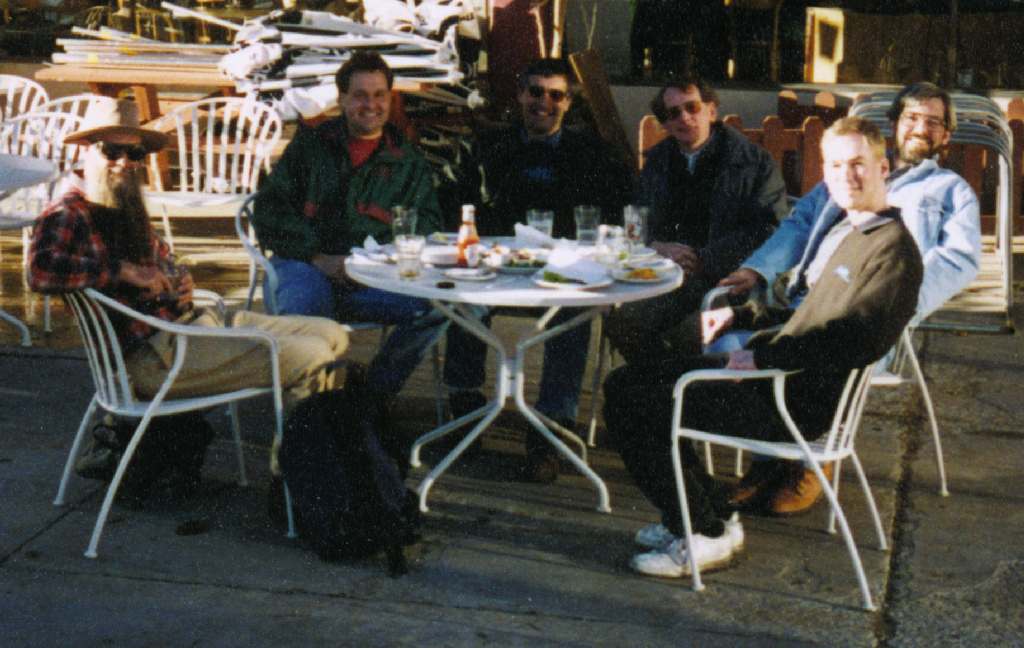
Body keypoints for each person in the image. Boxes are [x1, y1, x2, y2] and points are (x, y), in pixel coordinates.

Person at [603, 117, 923, 578]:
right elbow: (807, 314)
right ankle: (706, 514)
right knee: (631, 381)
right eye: (835, 166)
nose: (846, 176)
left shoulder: (892, 251)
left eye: (858, 164)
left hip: (792, 400)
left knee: (635, 400)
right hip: (776, 380)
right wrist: (740, 316)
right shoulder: (853, 232)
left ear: (883, 168)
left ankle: (704, 531)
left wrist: (760, 356)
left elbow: (856, 340)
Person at [29, 98, 350, 478]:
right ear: (87, 150)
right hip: (152, 360)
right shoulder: (68, 213)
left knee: (333, 334)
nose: (123, 162)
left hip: (189, 327)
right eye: (111, 151)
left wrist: (179, 281)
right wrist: (122, 271)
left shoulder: (123, 202)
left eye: (134, 154)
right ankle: (300, 477)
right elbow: (40, 270)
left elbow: (166, 260)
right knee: (312, 356)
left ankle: (312, 459)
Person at [716, 81, 981, 516]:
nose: (921, 128)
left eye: (934, 122)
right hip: (804, 302)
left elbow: (959, 260)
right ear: (894, 123)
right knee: (731, 341)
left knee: (813, 357)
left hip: (867, 315)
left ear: (946, 136)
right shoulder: (854, 166)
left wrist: (897, 301)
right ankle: (768, 459)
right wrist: (757, 269)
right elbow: (800, 224)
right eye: (913, 118)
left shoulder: (950, 190)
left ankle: (810, 465)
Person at [440, 58, 632, 482]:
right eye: (535, 92)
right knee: (462, 301)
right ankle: (466, 411)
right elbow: (452, 201)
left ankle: (551, 430)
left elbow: (616, 213)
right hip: (496, 268)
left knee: (573, 314)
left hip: (560, 273)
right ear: (520, 95)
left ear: (568, 102)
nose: (544, 102)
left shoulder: (592, 152)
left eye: (555, 94)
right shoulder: (487, 145)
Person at [252, 51, 447, 406]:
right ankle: (309, 416)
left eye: (379, 95)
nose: (370, 105)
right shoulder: (310, 146)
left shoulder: (407, 160)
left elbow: (429, 225)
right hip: (305, 267)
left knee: (437, 307)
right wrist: (317, 256)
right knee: (304, 314)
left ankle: (370, 398)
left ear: (390, 99)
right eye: (360, 95)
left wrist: (379, 263)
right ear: (341, 98)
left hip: (373, 278)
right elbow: (269, 211)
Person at [603, 76, 789, 363]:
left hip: (726, 282)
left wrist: (704, 259)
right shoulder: (658, 161)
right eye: (673, 113)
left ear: (711, 111)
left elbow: (769, 228)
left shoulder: (752, 162)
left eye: (692, 107)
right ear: (665, 123)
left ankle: (668, 385)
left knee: (684, 334)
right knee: (621, 322)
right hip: (666, 277)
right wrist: (656, 246)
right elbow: (633, 221)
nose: (684, 117)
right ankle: (663, 385)